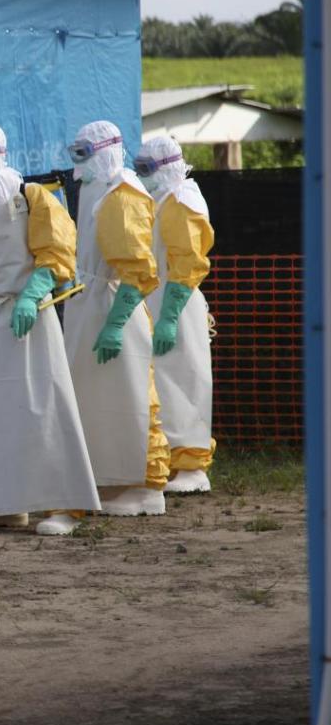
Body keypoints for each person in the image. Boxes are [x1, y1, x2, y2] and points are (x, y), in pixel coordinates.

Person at [0, 123, 101, 535]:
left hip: (34, 311)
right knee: (2, 413)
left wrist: (33, 293)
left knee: (46, 403)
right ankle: (6, 503)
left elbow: (57, 250)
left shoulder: (32, 197)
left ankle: (64, 504)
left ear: (2, 152)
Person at [63, 121, 171, 516]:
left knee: (134, 399)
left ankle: (147, 486)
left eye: (85, 154)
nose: (80, 164)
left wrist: (115, 324)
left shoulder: (123, 194)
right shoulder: (96, 188)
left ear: (106, 151)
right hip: (88, 303)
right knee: (99, 400)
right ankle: (111, 479)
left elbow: (138, 269)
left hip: (112, 306)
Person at [136, 136, 217, 493]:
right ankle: (167, 459)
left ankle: (193, 467)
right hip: (158, 300)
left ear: (166, 165)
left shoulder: (183, 200)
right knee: (163, 382)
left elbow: (189, 261)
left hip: (178, 304)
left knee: (185, 380)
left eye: (146, 169)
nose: (142, 176)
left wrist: (169, 316)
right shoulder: (161, 200)